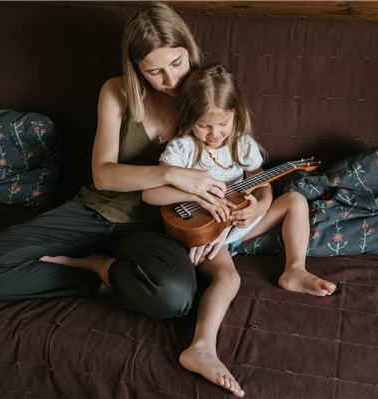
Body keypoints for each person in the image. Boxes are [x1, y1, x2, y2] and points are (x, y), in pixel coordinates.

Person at [0, 2, 228, 319]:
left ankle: (103, 266)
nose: (171, 79)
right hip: (93, 211)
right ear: (137, 68)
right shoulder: (117, 91)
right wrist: (170, 174)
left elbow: (242, 167)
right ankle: (100, 279)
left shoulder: (209, 100)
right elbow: (104, 176)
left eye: (177, 63)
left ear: (190, 51)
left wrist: (238, 217)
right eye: (154, 71)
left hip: (154, 227)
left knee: (173, 297)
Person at [142, 64, 337, 397]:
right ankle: (201, 348)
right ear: (190, 119)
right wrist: (195, 192)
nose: (215, 134)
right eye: (204, 125)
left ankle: (294, 270)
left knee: (296, 201)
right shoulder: (184, 149)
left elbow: (262, 186)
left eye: (223, 123)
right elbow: (151, 194)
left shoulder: (240, 144)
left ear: (236, 115)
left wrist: (259, 208)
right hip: (203, 235)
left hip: (236, 227)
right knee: (229, 279)